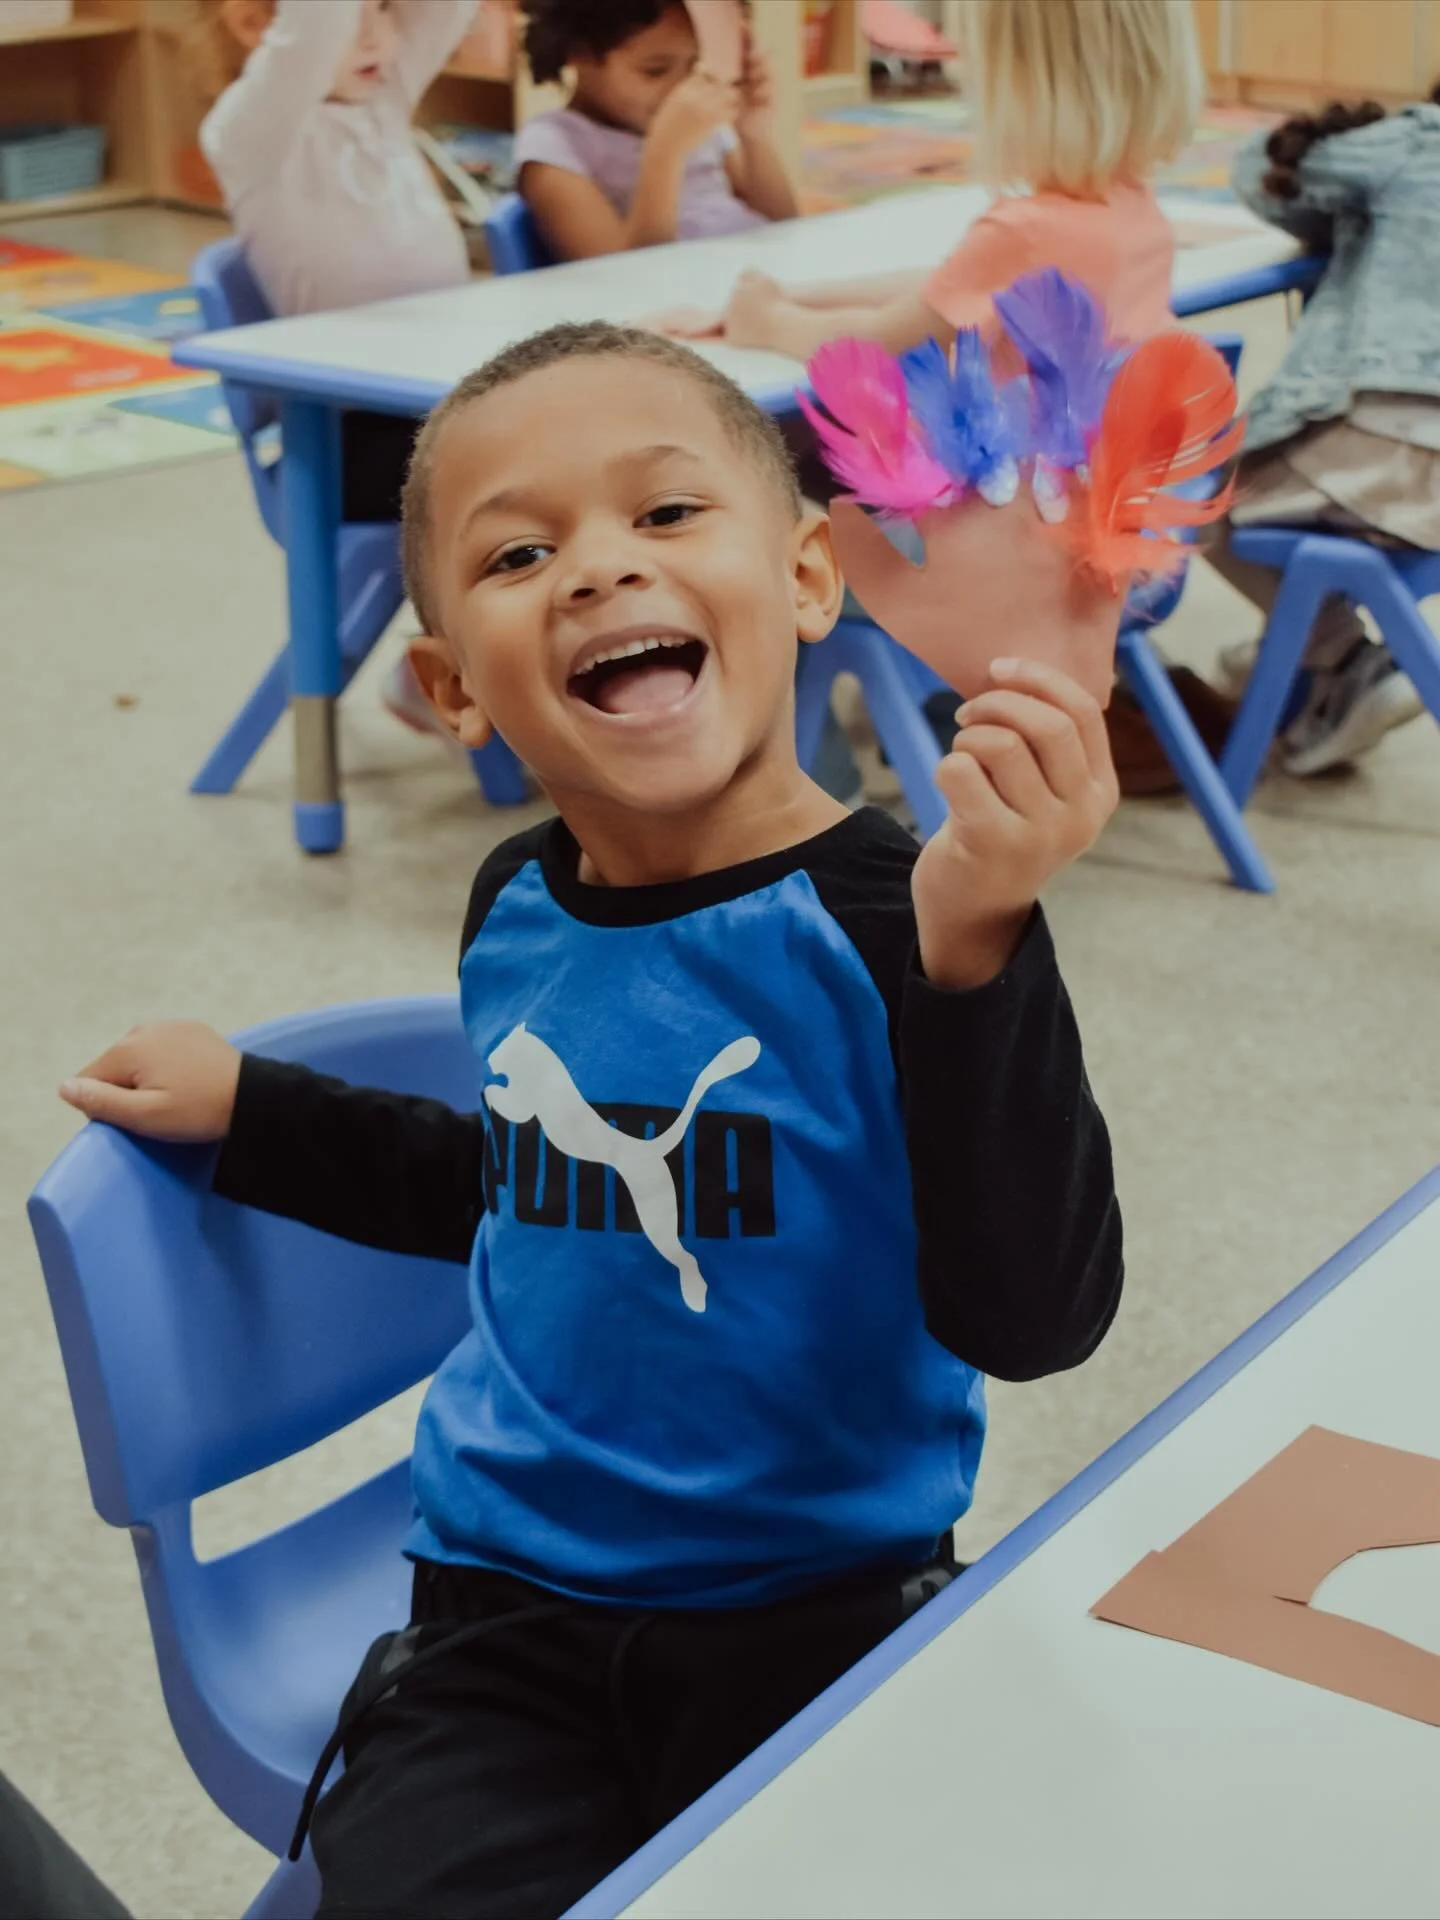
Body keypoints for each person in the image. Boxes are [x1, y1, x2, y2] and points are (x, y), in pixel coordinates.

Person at [60, 322, 1124, 1920]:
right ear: (452, 689)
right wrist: (255, 1113)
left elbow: (1030, 1316)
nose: (601, 568)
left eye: (669, 512)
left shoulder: (903, 922)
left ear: (808, 579)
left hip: (826, 1616)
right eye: (519, 553)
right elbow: (518, 1191)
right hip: (499, 1624)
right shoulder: (516, 908)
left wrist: (979, 953)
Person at [196, 0, 478, 729]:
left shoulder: (381, 103)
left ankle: (454, 665)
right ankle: (464, 669)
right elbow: (311, 30)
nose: (380, 32)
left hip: (439, 413)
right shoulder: (251, 133)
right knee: (530, 470)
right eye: (358, 12)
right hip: (341, 445)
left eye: (385, 8)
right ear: (253, 23)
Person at [695, 0, 1198, 364]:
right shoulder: (1137, 211)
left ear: (1018, 80)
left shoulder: (1025, 234)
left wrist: (770, 322)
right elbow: (943, 292)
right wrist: (790, 294)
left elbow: (882, 344)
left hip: (1009, 483)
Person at [1201, 88, 1440, 777]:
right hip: (1411, 484)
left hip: (1390, 452)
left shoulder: (1416, 145)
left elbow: (1259, 170)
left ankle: (1343, 655)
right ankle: (1310, 658)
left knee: (1190, 495)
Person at [513, 0, 798, 261]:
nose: (681, 90)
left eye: (694, 66)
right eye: (655, 70)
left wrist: (752, 133)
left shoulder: (698, 125)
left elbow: (785, 227)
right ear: (580, 55)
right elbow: (626, 279)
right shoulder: (554, 147)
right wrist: (665, 152)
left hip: (753, 273)